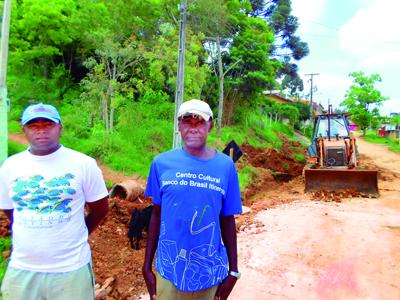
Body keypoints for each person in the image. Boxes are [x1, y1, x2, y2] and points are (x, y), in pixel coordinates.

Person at [0, 103, 109, 300]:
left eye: (48, 125)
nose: (41, 131)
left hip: (70, 268)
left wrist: (80, 231)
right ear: (24, 130)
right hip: (22, 267)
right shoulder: (10, 166)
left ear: (60, 128)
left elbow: (101, 208)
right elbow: (9, 210)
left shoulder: (83, 164)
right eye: (34, 126)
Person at [142, 99, 242, 300]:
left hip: (210, 274)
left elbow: (227, 220)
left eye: (200, 122)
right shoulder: (161, 163)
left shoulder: (226, 167)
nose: (193, 128)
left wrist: (233, 271)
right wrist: (146, 266)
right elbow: (156, 213)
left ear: (210, 126)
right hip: (169, 272)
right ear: (179, 125)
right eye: (187, 122)